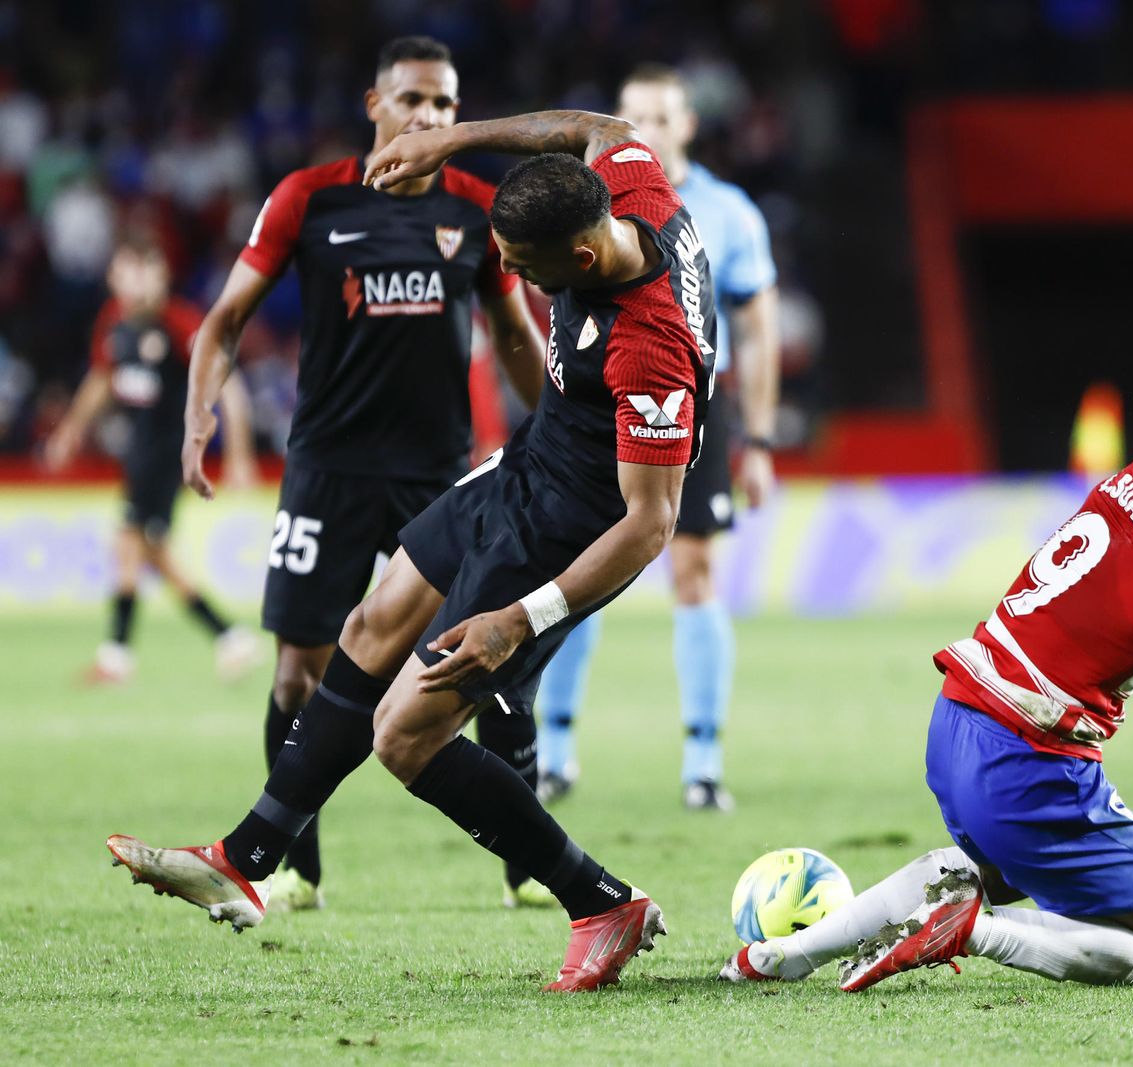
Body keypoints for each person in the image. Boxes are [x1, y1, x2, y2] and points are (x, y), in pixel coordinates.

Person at [108, 105, 716, 993]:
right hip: (526, 469)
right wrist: (449, 140)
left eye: (520, 265)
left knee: (405, 735)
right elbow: (600, 123)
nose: (503, 271)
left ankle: (599, 900)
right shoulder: (632, 185)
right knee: (374, 616)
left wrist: (522, 616)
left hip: (566, 532)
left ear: (581, 262)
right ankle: (247, 856)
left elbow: (649, 522)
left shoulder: (650, 346)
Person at [719, 376, 1133, 992]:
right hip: (1027, 758)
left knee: (991, 872)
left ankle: (778, 956)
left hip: (960, 718)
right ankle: (974, 930)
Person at [180, 36, 549, 912]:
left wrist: (556, 432)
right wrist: (200, 407)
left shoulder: (476, 207)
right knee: (297, 674)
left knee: (490, 670)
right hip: (329, 472)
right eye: (415, 100)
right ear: (374, 104)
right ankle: (295, 868)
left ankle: (525, 864)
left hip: (439, 479)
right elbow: (226, 318)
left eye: (446, 105)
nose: (431, 118)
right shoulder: (308, 199)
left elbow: (512, 334)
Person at [532, 64, 780, 811]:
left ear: (688, 124)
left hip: (688, 401)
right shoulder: (588, 201)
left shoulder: (730, 212)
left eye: (663, 116)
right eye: (633, 117)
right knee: (577, 572)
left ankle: (702, 762)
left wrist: (760, 440)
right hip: (592, 405)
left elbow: (759, 329)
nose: (650, 130)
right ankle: (555, 752)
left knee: (694, 571)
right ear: (616, 123)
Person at [45, 238, 261, 684]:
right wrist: (71, 429)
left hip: (168, 455)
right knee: (148, 551)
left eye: (147, 272)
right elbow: (102, 379)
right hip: (139, 452)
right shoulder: (113, 323)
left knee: (130, 542)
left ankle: (118, 655)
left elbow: (231, 385)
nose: (138, 283)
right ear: (113, 278)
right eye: (129, 272)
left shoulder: (181, 324)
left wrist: (240, 454)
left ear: (161, 278)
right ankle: (228, 638)